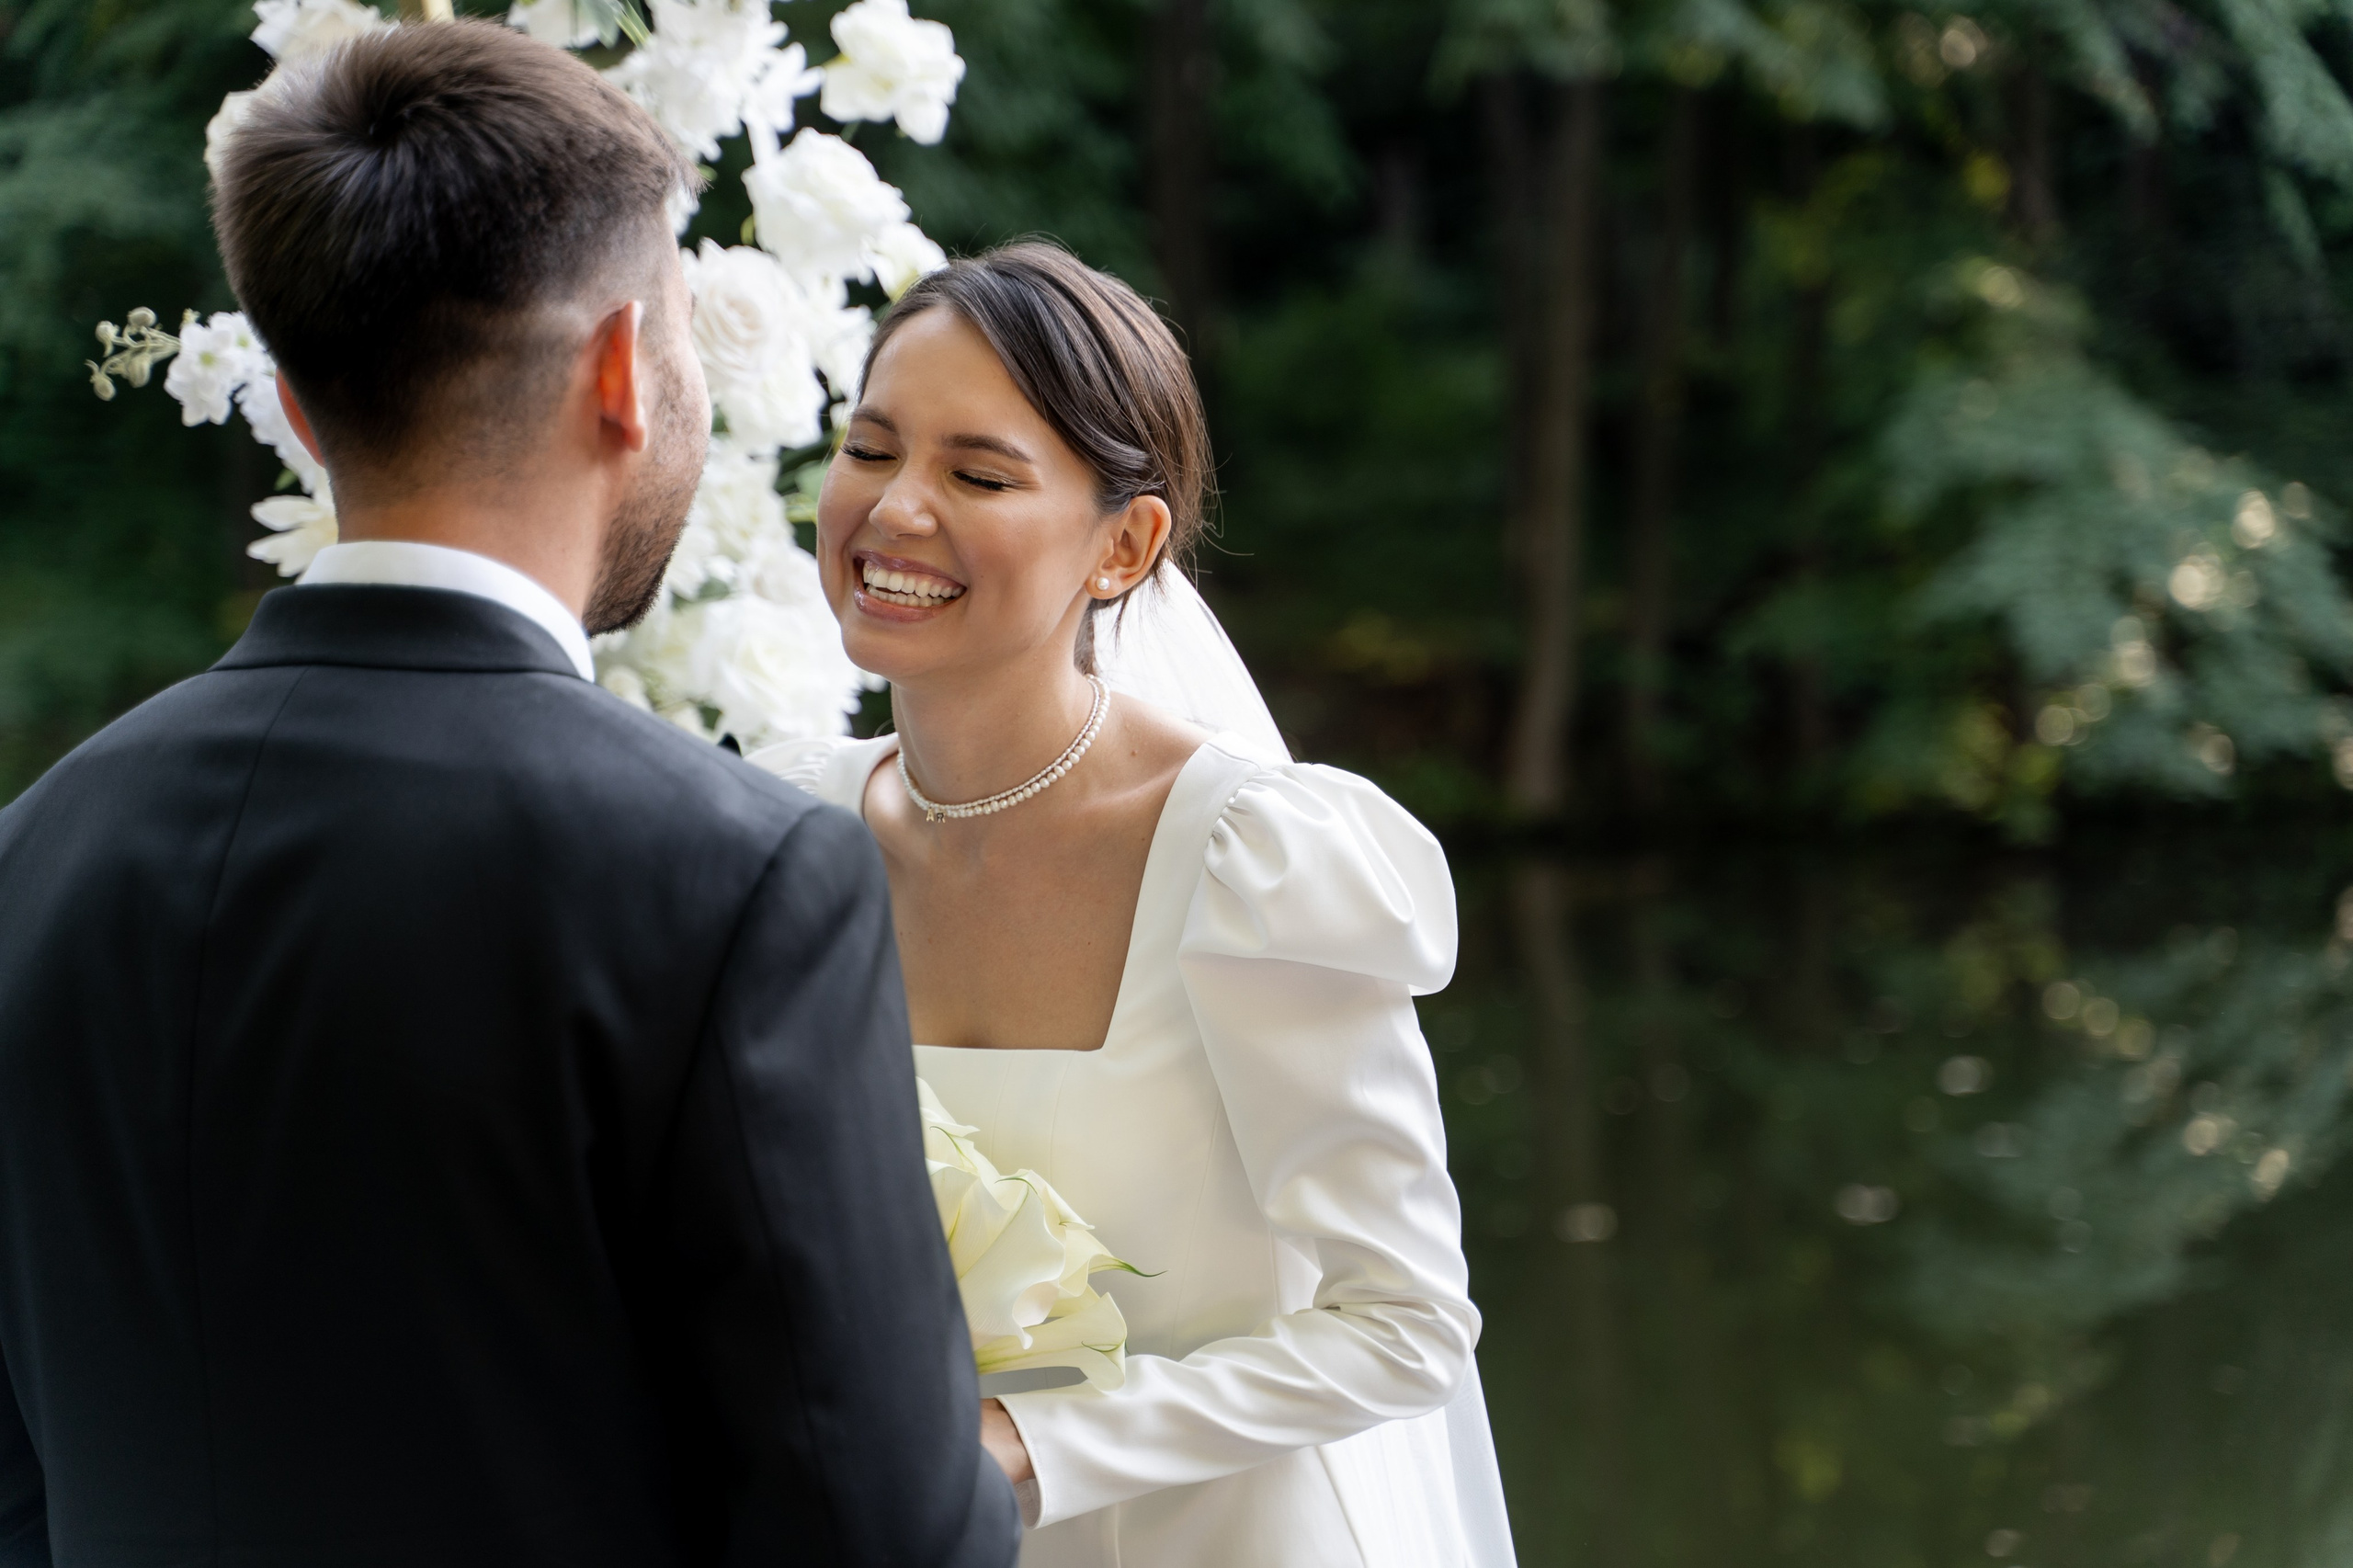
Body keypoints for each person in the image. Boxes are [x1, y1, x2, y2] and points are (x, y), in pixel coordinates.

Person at [0, 22, 1016, 1568]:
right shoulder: (737, 877)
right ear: (624, 369)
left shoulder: (33, 851)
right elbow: (882, 1532)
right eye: (677, 330)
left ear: (288, 403)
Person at [752, 243, 1517, 1567]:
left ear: (1125, 543)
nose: (894, 508)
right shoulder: (775, 833)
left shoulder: (1251, 861)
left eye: (976, 473)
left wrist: (1032, 1448)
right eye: (871, 449)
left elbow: (1405, 1323)